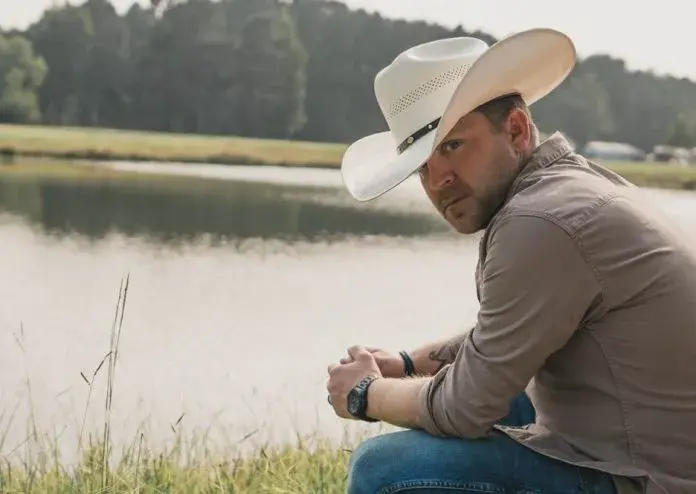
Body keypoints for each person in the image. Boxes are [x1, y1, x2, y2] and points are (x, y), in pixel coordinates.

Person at [325, 28, 696, 494]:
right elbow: (506, 337)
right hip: (646, 450)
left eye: (453, 145)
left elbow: (464, 409)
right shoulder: (570, 190)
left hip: (650, 480)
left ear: (516, 130)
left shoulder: (540, 221)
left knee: (384, 470)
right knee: (508, 392)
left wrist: (364, 394)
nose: (437, 180)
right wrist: (405, 363)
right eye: (421, 166)